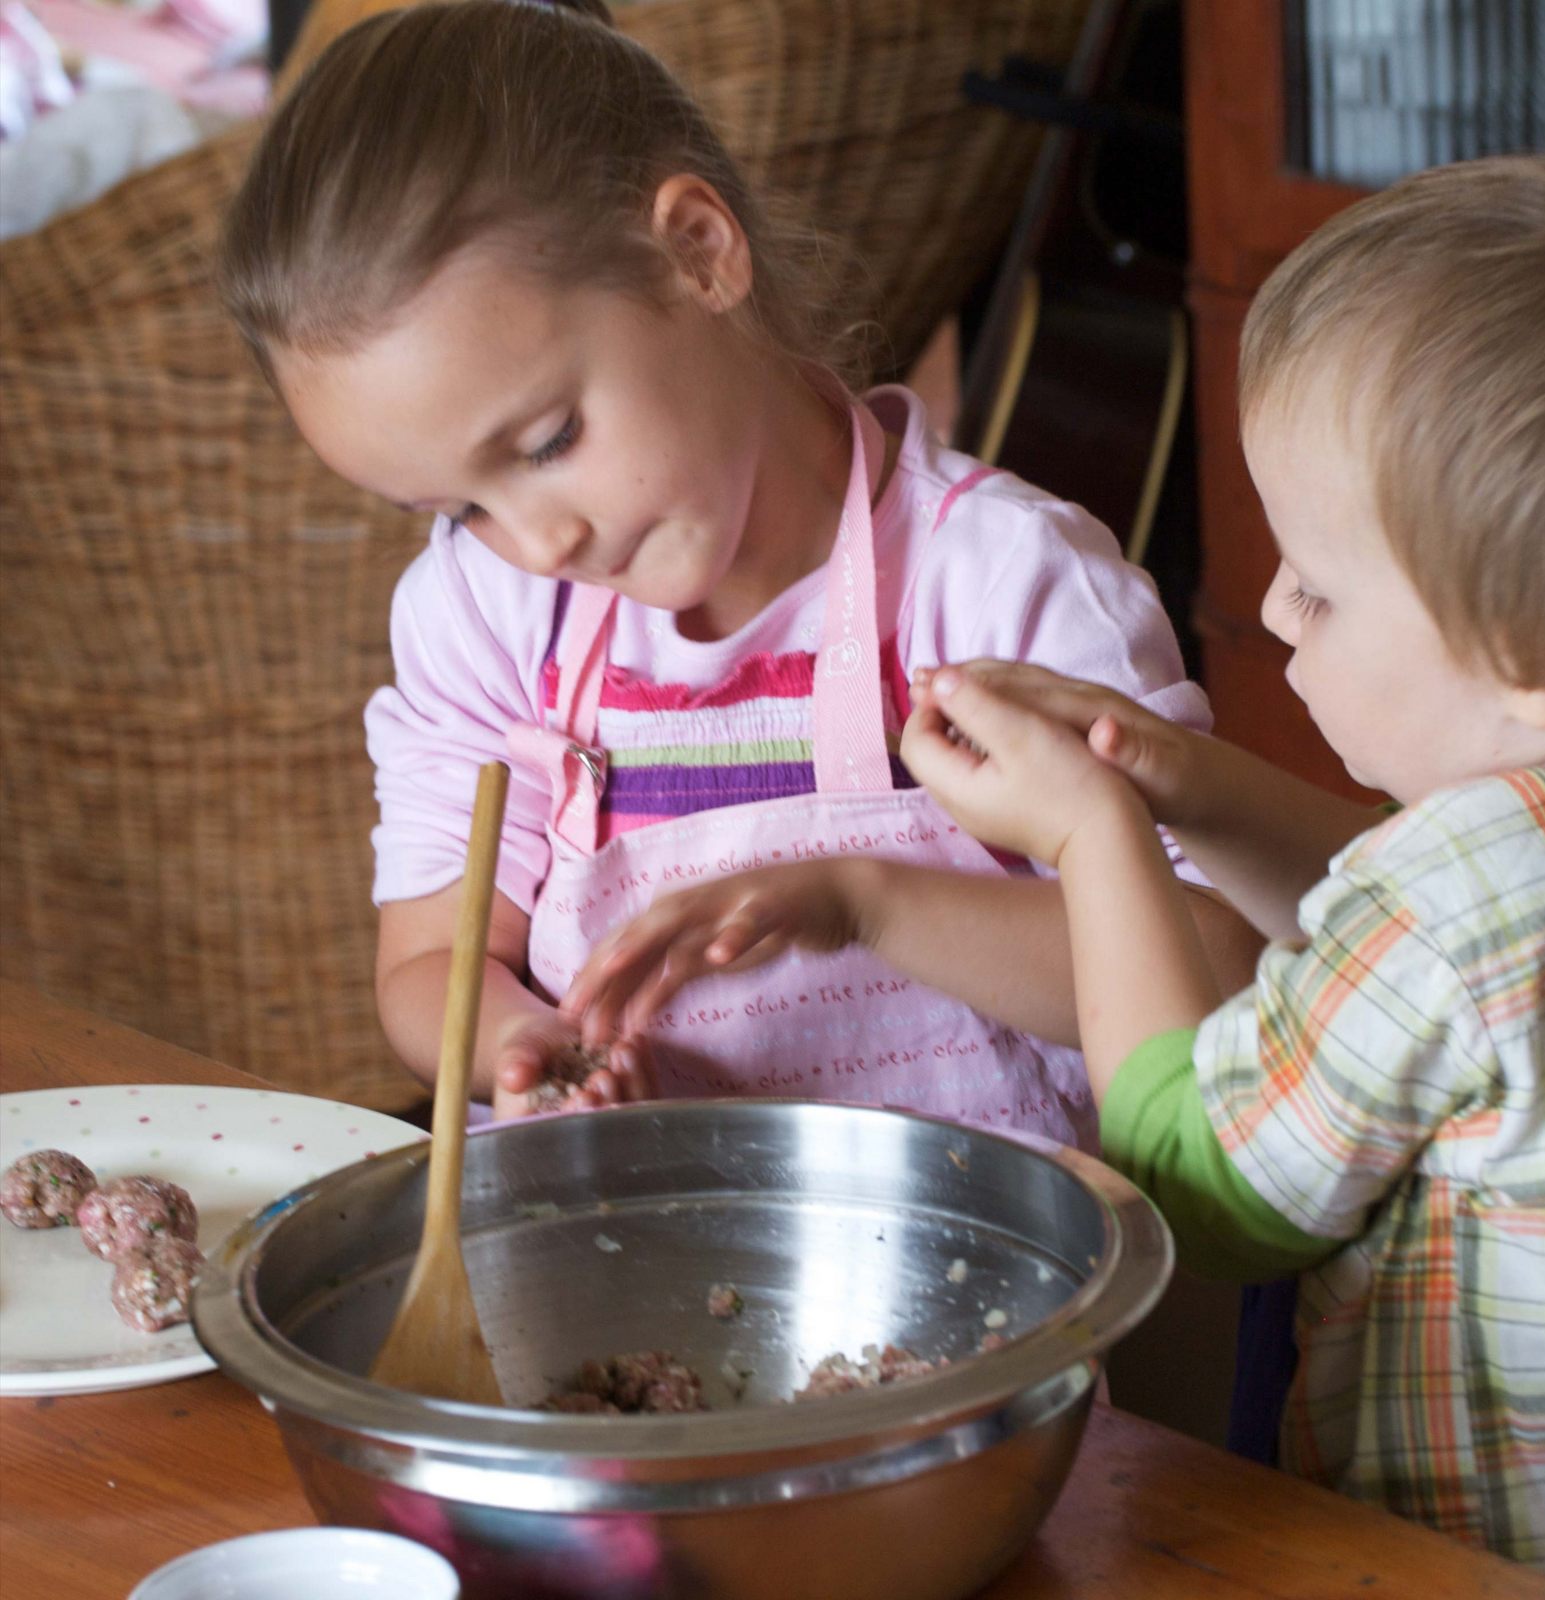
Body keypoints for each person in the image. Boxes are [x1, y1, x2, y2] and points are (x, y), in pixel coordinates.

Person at [568, 153, 1545, 1582]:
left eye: (1321, 582)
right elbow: (1420, 917)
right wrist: (1181, 780)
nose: (1273, 612)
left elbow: (1209, 1183)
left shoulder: (1440, 901)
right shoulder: (1518, 858)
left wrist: (1092, 838)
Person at [215, 0, 1259, 1140]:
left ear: (696, 255)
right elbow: (430, 963)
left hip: (986, 1276)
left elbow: (1212, 978)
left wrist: (870, 907)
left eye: (549, 442)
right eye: (461, 506)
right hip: (627, 1262)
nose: (539, 541)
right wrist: (519, 1042)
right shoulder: (486, 609)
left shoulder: (998, 582)